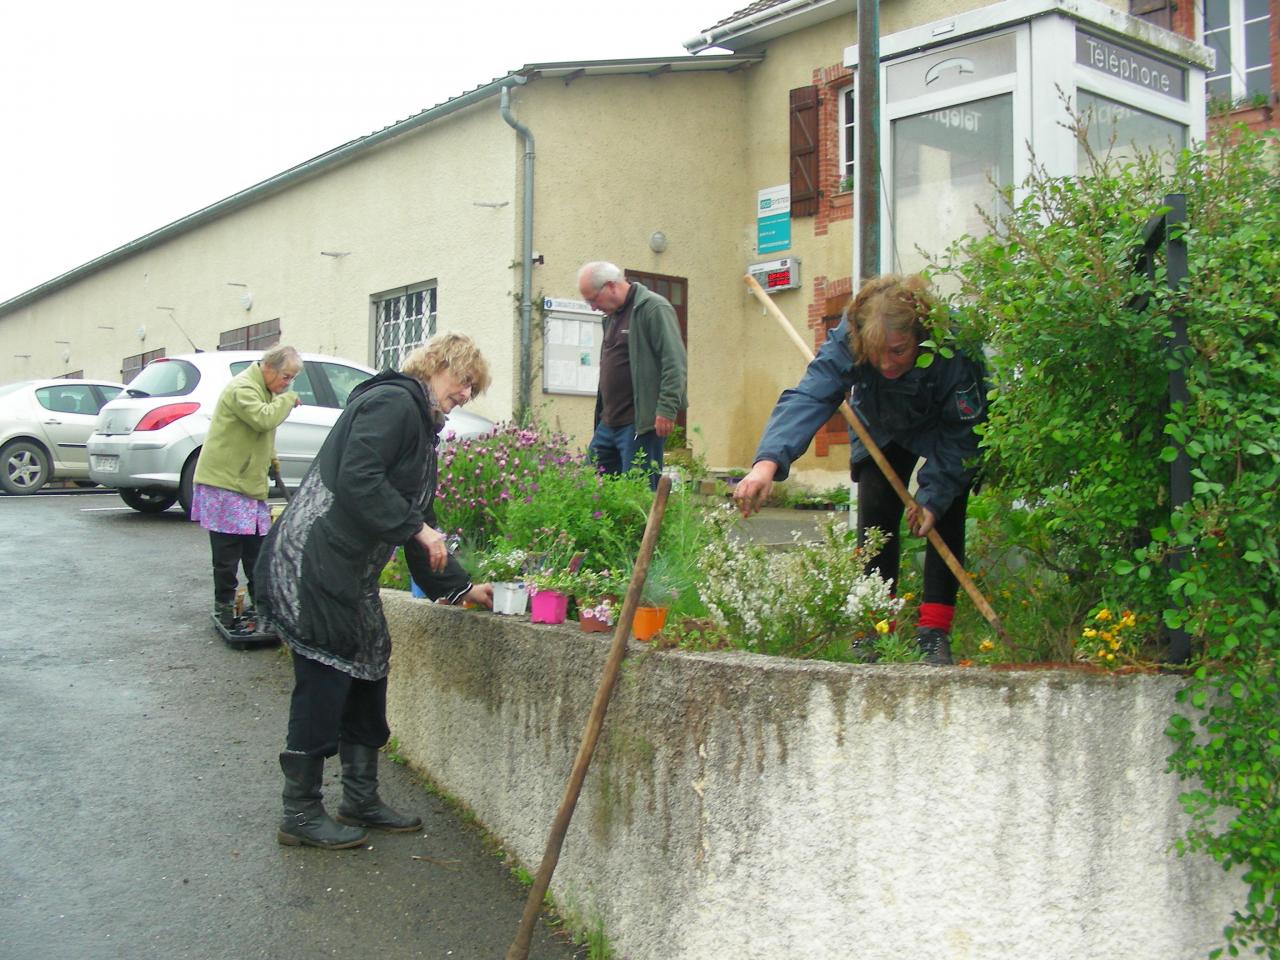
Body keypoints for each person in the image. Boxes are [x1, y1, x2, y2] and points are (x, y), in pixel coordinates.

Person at [254, 333, 496, 849]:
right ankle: (299, 812)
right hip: (315, 564)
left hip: (351, 572)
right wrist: (416, 529)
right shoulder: (393, 402)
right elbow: (357, 478)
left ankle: (360, 798)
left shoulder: (420, 422)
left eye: (474, 389)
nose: (467, 394)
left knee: (368, 669)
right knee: (323, 681)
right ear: (439, 365)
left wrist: (460, 587)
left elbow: (417, 516)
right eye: (464, 381)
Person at [732, 274, 987, 665]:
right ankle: (874, 625)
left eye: (898, 351)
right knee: (877, 519)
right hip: (880, 423)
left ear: (920, 334)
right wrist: (767, 464)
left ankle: (934, 632)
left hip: (943, 426)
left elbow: (961, 436)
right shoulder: (849, 336)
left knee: (945, 513)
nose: (886, 363)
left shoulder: (953, 346)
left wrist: (931, 499)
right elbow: (812, 395)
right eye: (876, 352)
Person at [190, 345, 301, 637]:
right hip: (226, 485)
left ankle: (263, 608)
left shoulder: (264, 391)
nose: (287, 383)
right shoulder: (243, 388)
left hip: (246, 485)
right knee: (227, 555)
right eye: (286, 376)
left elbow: (262, 432)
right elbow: (263, 419)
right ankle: (224, 608)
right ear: (269, 367)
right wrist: (287, 400)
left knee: (257, 552)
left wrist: (272, 460)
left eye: (291, 379)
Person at [577, 261, 688, 489]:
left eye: (592, 299)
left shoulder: (653, 309)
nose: (592, 307)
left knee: (638, 493)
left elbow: (674, 362)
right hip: (608, 423)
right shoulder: (611, 317)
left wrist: (666, 409)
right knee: (589, 485)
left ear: (610, 286)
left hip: (640, 424)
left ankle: (643, 527)